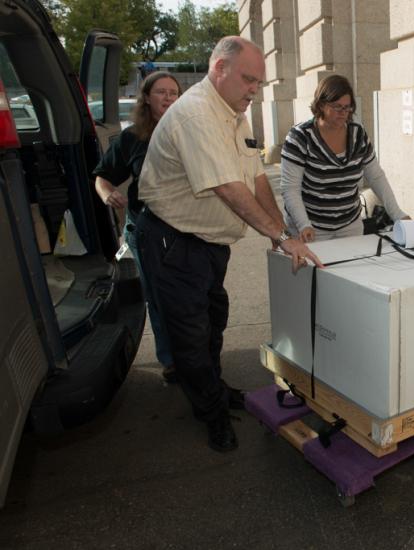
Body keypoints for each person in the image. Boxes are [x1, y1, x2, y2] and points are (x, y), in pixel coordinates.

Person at [136, 36, 322, 452]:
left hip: (208, 245)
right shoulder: (196, 115)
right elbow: (228, 188)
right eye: (248, 80)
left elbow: (256, 179)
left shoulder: (235, 114)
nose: (254, 90)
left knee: (212, 325)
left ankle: (213, 391)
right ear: (219, 68)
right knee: (190, 337)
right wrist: (278, 236)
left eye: (258, 82)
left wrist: (285, 235)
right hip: (173, 242)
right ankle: (212, 414)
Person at [92, 71, 181, 383]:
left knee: (190, 297)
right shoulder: (132, 138)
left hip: (185, 228)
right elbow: (102, 177)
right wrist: (107, 193)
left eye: (174, 92)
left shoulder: (191, 131)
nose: (169, 98)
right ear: (146, 97)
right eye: (161, 92)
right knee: (158, 297)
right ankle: (171, 360)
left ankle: (198, 357)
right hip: (146, 228)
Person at [280, 74, 408, 242]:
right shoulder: (300, 137)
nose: (343, 114)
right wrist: (303, 224)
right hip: (310, 228)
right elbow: (290, 189)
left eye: (347, 108)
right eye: (337, 107)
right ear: (321, 105)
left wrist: (398, 214)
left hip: (350, 225)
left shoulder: (358, 134)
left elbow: (376, 176)